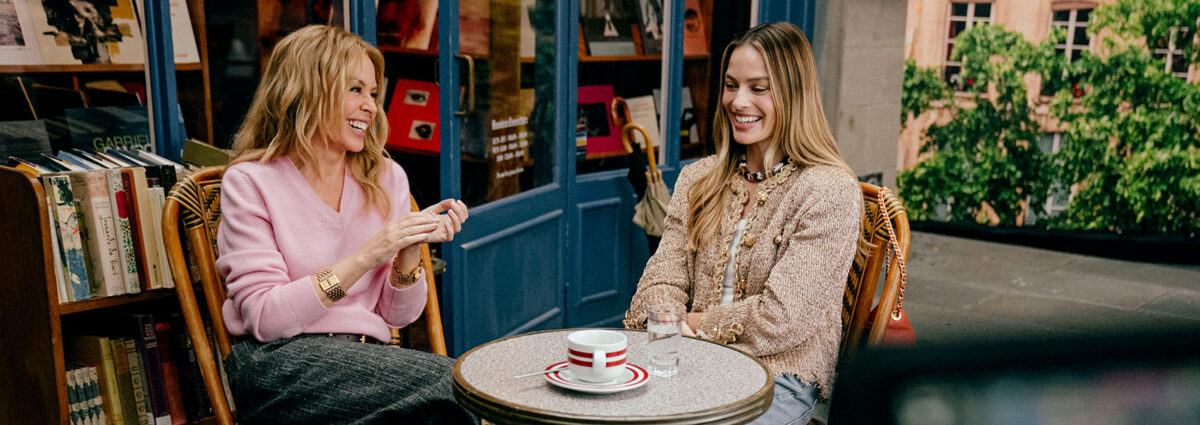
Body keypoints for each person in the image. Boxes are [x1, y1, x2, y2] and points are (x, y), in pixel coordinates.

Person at [215, 25, 475, 424]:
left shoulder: (386, 177)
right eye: (355, 90)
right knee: (458, 387)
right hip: (278, 364)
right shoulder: (251, 182)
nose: (371, 106)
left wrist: (408, 248)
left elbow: (397, 316)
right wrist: (370, 254)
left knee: (442, 410)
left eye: (373, 93)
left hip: (366, 356)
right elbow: (267, 319)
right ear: (306, 90)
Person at [623, 22, 862, 424]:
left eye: (758, 87)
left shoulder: (828, 190)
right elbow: (661, 277)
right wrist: (668, 329)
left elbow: (780, 319)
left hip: (777, 378)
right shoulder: (699, 179)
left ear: (793, 94)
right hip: (687, 359)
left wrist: (689, 324)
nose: (738, 101)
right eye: (731, 85)